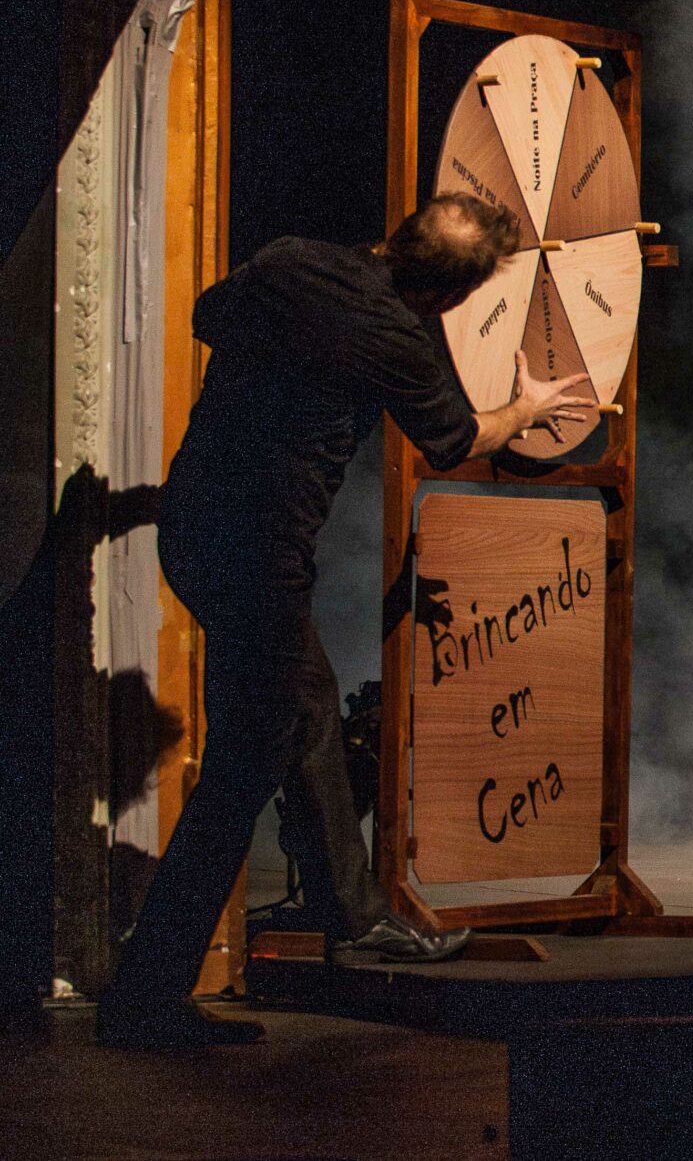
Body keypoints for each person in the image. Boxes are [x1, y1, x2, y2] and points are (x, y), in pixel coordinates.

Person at [96, 194, 591, 1048]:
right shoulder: (396, 336)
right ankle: (143, 997)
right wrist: (526, 406)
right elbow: (456, 438)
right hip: (260, 560)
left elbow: (210, 315)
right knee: (244, 768)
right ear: (451, 297)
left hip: (194, 531)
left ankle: (353, 913)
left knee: (311, 707)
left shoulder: (291, 256)